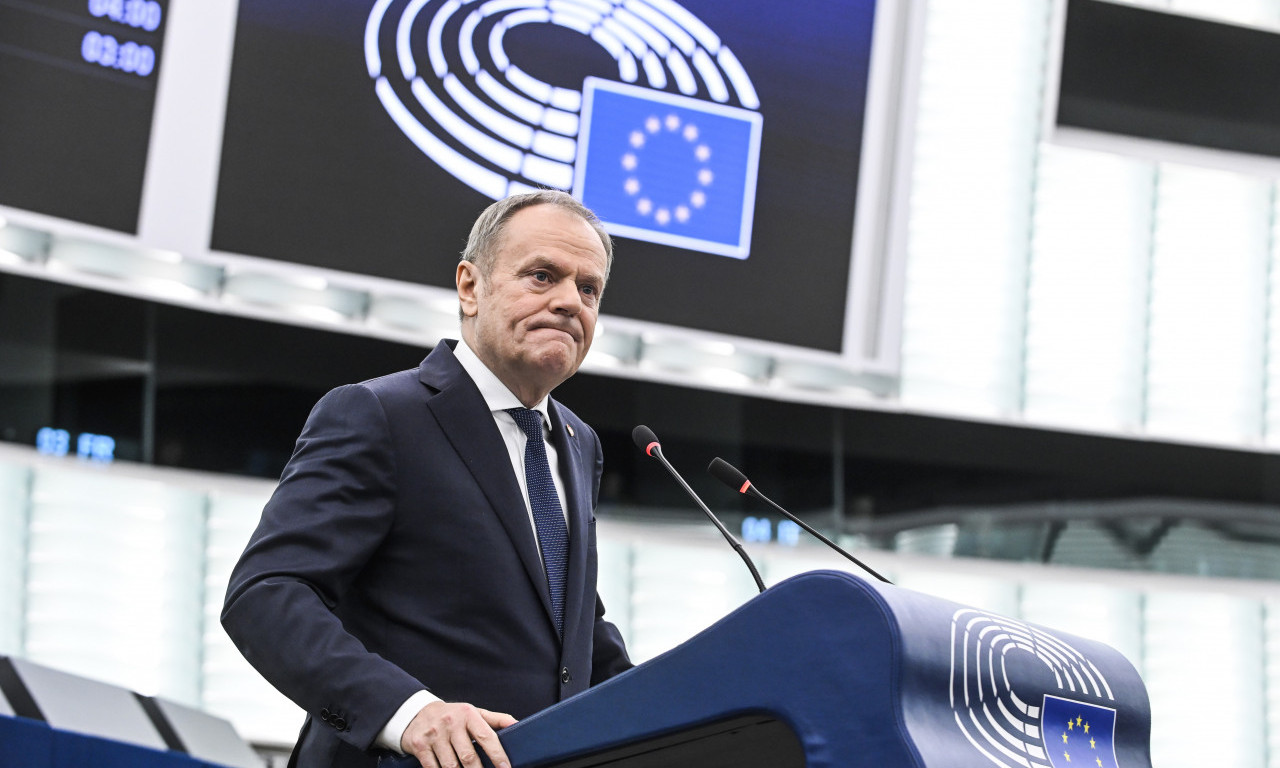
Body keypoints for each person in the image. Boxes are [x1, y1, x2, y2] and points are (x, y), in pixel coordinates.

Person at [221, 190, 633, 768]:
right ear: (470, 287)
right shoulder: (379, 414)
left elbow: (573, 630)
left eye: (588, 289)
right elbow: (266, 595)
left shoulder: (578, 442)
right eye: (542, 276)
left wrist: (690, 710)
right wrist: (408, 712)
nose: (570, 301)